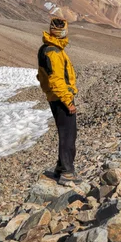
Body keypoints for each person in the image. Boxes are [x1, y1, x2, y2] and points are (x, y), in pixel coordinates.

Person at [37, 17, 82, 185]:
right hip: (61, 99)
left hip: (56, 97)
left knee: (66, 133)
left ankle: (60, 167)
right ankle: (67, 172)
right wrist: (68, 101)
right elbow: (56, 81)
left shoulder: (47, 48)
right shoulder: (54, 52)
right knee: (68, 134)